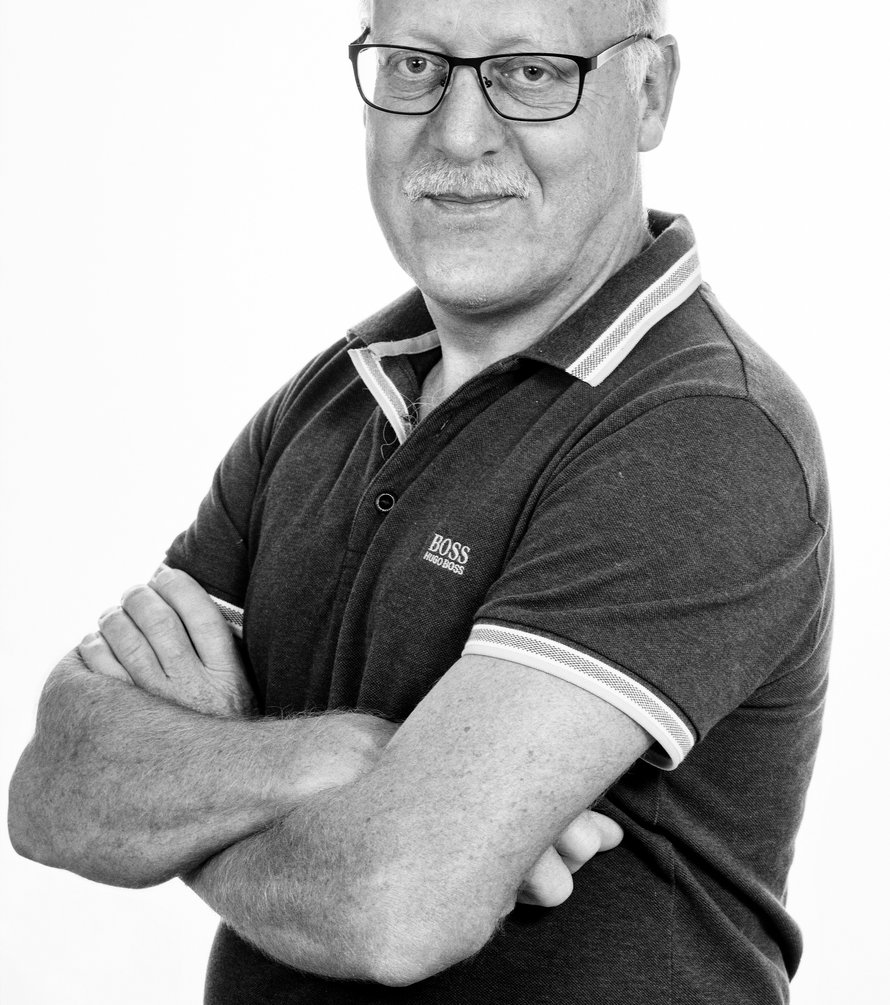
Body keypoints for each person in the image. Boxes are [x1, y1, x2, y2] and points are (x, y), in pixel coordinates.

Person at [8, 0, 833, 1002]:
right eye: (413, 65)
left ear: (648, 92)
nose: (457, 131)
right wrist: (342, 758)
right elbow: (54, 792)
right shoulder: (329, 400)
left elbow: (392, 908)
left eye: (529, 72)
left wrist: (180, 810)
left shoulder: (701, 428)